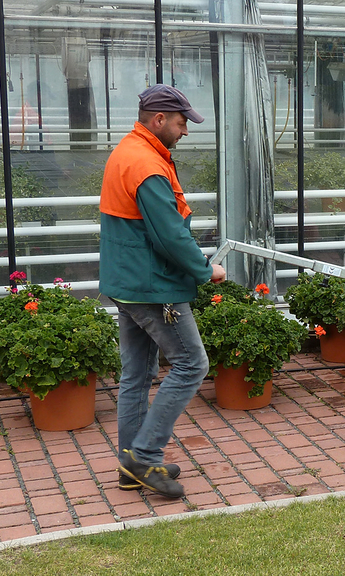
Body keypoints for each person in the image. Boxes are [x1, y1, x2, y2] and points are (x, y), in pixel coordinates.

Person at [99, 84, 226, 498]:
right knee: (192, 364)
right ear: (158, 120)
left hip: (127, 282)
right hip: (153, 286)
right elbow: (169, 235)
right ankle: (144, 456)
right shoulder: (147, 166)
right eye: (181, 122)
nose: (185, 130)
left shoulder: (130, 151)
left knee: (137, 374)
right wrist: (206, 270)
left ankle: (129, 466)